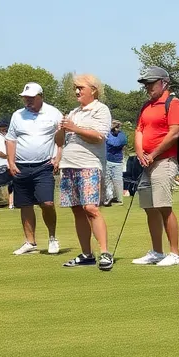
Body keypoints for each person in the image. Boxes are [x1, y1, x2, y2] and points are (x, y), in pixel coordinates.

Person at [57, 74, 114, 271]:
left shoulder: (100, 109)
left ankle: (105, 252)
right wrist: (62, 128)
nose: (77, 92)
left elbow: (99, 137)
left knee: (90, 208)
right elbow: (59, 141)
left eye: (80, 88)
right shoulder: (74, 112)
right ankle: (86, 254)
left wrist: (74, 127)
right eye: (75, 88)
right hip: (69, 165)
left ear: (94, 89)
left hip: (89, 165)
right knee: (77, 209)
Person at [131, 66, 179, 267]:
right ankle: (157, 251)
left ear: (164, 83)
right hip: (147, 163)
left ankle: (175, 253)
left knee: (164, 206)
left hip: (164, 161)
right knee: (149, 208)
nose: (148, 87)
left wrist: (152, 154)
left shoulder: (173, 103)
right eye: (146, 84)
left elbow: (174, 134)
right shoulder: (146, 106)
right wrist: (140, 153)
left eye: (151, 83)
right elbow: (139, 131)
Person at [5, 82, 61, 256]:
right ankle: (30, 242)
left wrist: (58, 157)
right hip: (21, 166)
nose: (27, 101)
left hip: (44, 165)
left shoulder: (53, 113)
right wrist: (11, 162)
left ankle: (52, 238)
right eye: (25, 98)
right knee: (25, 205)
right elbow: (11, 139)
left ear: (40, 97)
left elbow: (62, 137)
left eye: (31, 98)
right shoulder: (17, 115)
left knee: (47, 203)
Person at [104, 119, 126, 206]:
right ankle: (109, 197)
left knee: (117, 181)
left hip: (117, 161)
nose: (117, 129)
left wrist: (108, 134)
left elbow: (116, 143)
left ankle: (119, 199)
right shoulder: (107, 134)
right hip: (106, 160)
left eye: (117, 127)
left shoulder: (122, 136)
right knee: (107, 180)